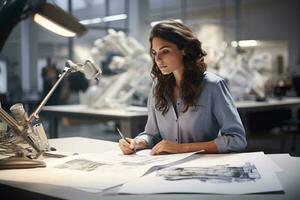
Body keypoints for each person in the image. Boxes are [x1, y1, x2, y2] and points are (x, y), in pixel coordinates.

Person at [119, 20, 247, 155]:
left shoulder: (213, 86)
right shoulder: (157, 87)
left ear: (184, 50)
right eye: (154, 53)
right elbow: (152, 134)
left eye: (165, 51)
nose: (158, 59)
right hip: (165, 169)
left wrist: (183, 148)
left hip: (203, 169)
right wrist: (138, 142)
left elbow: (237, 140)